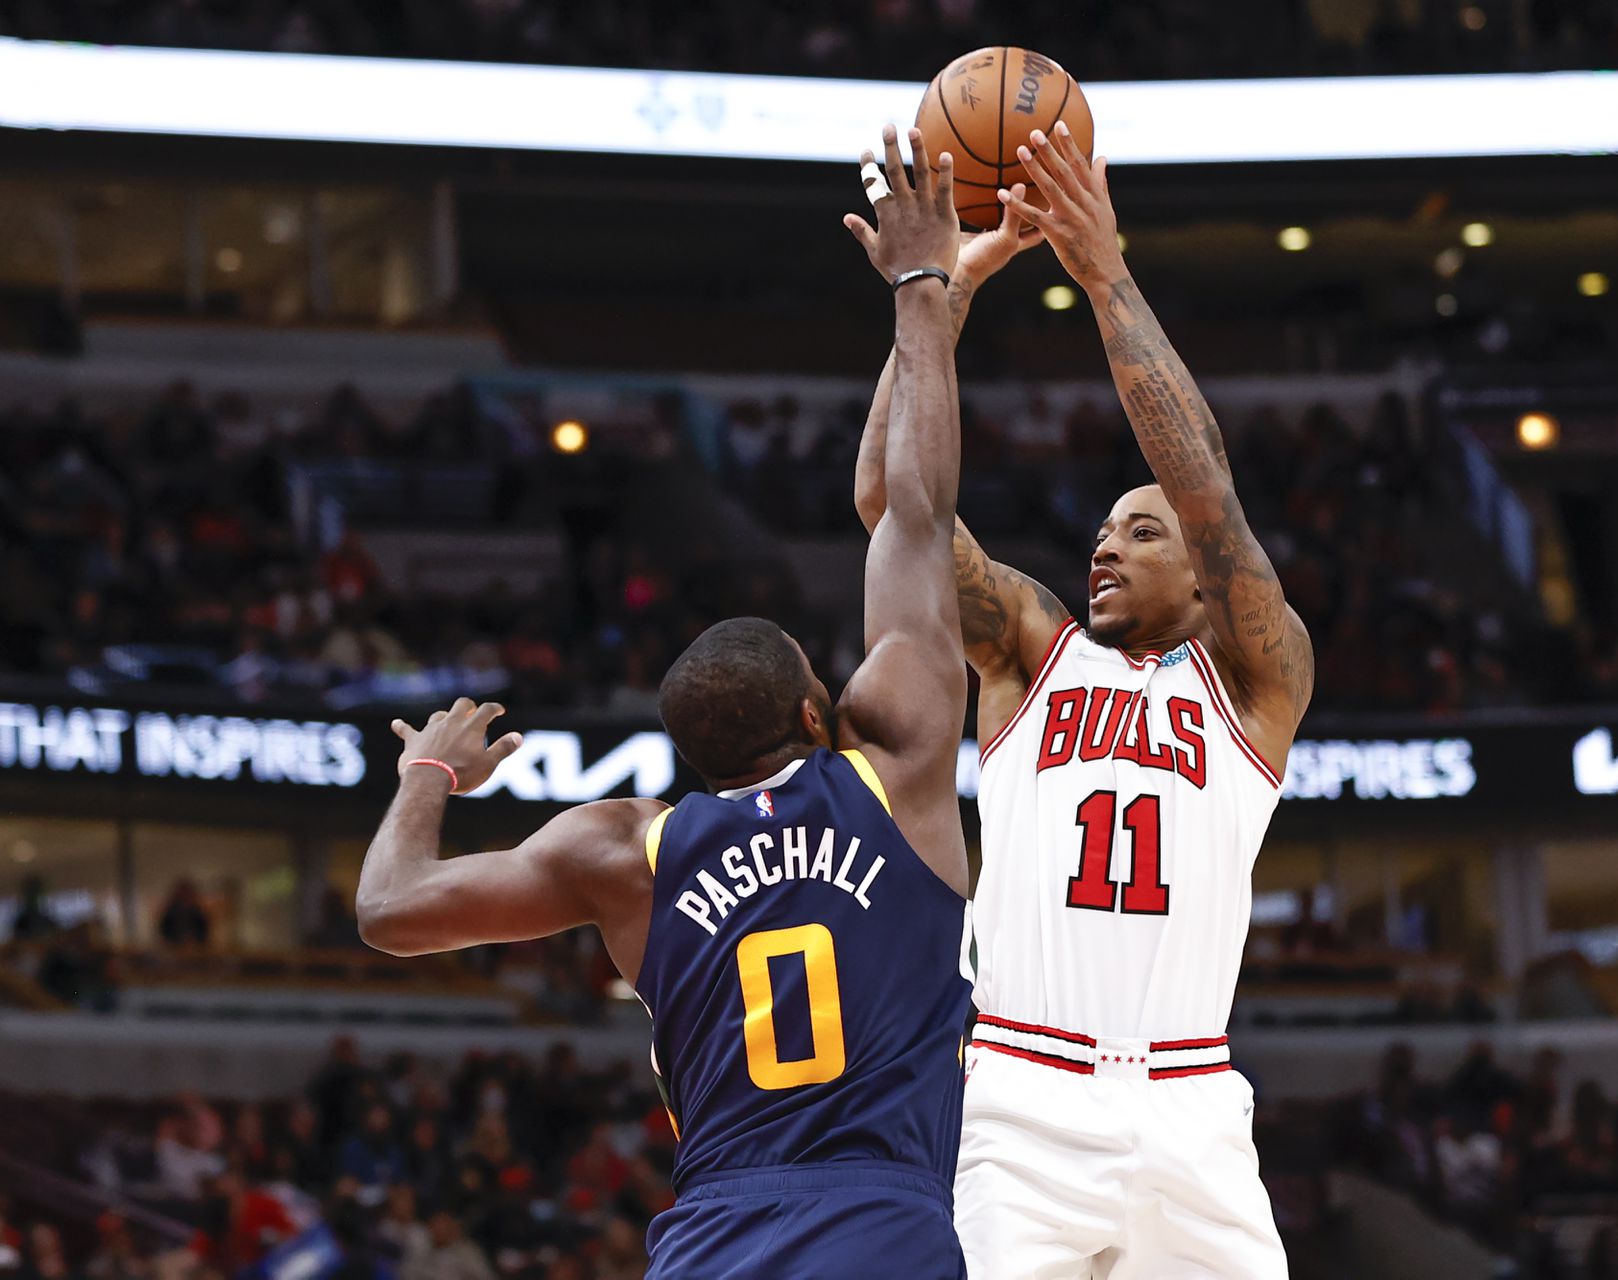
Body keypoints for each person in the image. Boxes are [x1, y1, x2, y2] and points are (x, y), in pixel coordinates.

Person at [358, 124, 974, 1279]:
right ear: (811, 715)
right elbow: (913, 513)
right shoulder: (892, 770)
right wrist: (923, 287)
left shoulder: (621, 848)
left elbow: (390, 909)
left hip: (713, 1234)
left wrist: (424, 776)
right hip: (883, 1218)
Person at [854, 119, 1308, 1276]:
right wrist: (943, 289)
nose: (1104, 548)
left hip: (1192, 1097)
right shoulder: (1030, 651)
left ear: (1205, 573)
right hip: (1021, 1095)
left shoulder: (1259, 680)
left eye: (1140, 532)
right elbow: (888, 505)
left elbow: (1208, 485)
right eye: (1102, 530)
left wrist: (1104, 275)